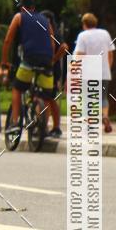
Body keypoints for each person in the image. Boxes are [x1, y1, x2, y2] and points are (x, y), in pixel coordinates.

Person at [0, 0, 63, 138]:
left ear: (22, 8)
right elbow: (53, 43)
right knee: (45, 96)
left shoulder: (19, 17)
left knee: (17, 88)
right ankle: (43, 125)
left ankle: (15, 122)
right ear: (34, 8)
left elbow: (8, 40)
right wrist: (50, 60)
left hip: (29, 59)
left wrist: (4, 61)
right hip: (47, 61)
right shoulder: (46, 21)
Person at [74, 12, 115, 133]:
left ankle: (90, 123)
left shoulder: (83, 36)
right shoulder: (105, 34)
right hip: (104, 71)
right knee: (103, 97)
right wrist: (108, 67)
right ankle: (105, 116)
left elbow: (79, 55)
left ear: (84, 24)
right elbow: (111, 54)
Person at [41, 10, 68, 138]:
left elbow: (64, 47)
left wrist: (54, 60)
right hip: (47, 69)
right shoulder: (45, 33)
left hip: (51, 70)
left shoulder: (54, 34)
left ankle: (51, 126)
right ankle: (49, 126)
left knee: (48, 98)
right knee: (46, 98)